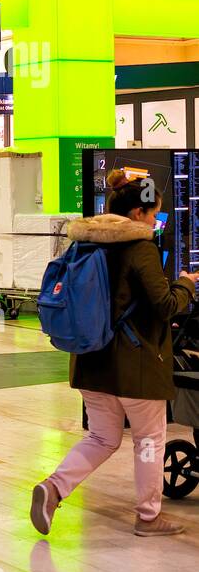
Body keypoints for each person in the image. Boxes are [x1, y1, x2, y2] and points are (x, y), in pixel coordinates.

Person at [32, 170, 196, 538]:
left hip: (90, 359)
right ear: (137, 214)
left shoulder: (83, 243)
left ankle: (54, 488)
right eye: (153, 214)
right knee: (150, 440)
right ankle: (149, 517)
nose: (156, 221)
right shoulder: (141, 248)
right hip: (135, 365)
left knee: (103, 438)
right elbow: (166, 305)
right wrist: (186, 283)